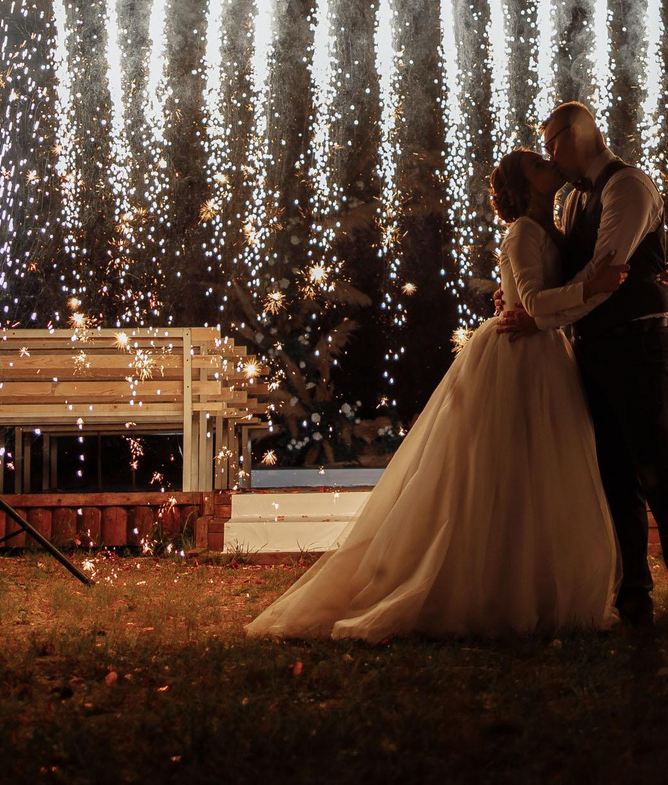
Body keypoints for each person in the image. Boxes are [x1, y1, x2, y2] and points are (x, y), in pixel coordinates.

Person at [247, 149, 623, 639]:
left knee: (539, 467)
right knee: (499, 468)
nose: (550, 164)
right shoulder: (523, 232)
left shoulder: (551, 228)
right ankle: (489, 586)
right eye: (537, 165)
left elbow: (539, 289)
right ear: (523, 186)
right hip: (517, 354)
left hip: (544, 352)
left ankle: (530, 585)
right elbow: (531, 301)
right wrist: (590, 287)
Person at [495, 100, 668, 632]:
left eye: (551, 144)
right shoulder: (571, 202)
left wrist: (540, 317)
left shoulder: (627, 186)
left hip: (637, 344)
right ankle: (633, 594)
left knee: (656, 470)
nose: (549, 156)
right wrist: (518, 299)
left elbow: (603, 275)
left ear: (578, 133)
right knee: (614, 476)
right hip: (590, 349)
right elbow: (561, 273)